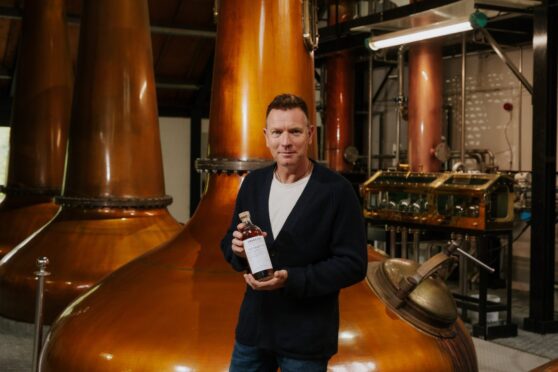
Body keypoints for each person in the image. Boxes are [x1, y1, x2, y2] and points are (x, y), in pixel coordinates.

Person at [221, 93, 367, 372]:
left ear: (310, 134)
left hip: (306, 337)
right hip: (255, 330)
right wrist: (237, 250)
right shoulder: (253, 184)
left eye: (295, 132)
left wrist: (292, 279)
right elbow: (229, 242)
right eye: (277, 132)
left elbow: (353, 265)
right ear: (266, 136)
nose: (285, 142)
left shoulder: (337, 191)